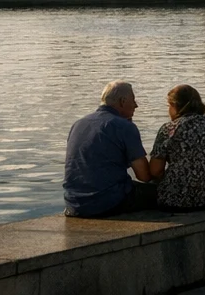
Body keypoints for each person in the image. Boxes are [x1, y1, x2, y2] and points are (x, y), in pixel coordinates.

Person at [63, 80, 155, 218]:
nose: (136, 105)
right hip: (107, 202)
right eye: (134, 100)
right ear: (122, 101)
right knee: (165, 193)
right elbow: (144, 176)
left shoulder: (79, 123)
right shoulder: (124, 127)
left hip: (74, 203)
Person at [148, 84, 205, 211]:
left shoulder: (168, 129)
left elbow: (155, 170)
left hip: (179, 200)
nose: (168, 110)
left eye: (169, 106)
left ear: (176, 106)